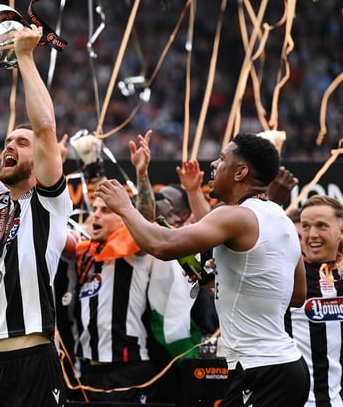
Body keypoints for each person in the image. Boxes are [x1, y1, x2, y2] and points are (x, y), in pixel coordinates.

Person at [95, 132, 309, 406]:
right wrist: (230, 278)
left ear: (241, 171)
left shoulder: (234, 215)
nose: (213, 164)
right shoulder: (283, 221)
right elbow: (297, 295)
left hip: (260, 370)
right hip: (287, 367)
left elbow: (160, 245)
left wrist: (125, 207)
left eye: (221, 159)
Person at [0, 24, 73, 407]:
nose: (10, 146)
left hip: (32, 357)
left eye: (21, 143)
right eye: (7, 142)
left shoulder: (50, 201)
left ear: (38, 158)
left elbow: (46, 127)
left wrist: (24, 57)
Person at [68, 130, 155, 403]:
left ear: (123, 219)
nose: (96, 214)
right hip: (88, 371)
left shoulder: (132, 246)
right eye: (94, 209)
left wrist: (141, 175)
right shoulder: (85, 251)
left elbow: (148, 223)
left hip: (126, 368)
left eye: (106, 211)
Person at [285, 195, 343, 406]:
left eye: (322, 226)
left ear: (342, 232)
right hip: (295, 401)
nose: (312, 234)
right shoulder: (284, 279)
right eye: (306, 226)